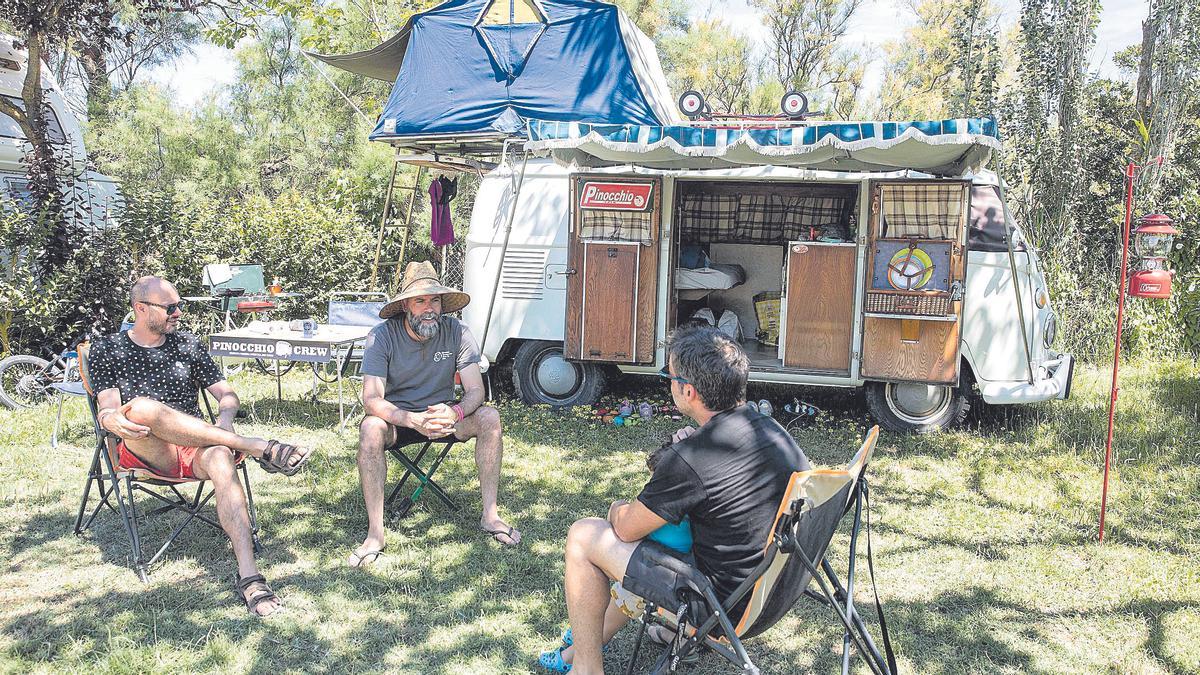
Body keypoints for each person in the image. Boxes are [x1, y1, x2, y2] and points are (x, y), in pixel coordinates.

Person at [539, 326, 811, 674]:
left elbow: (626, 529)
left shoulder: (693, 456)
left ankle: (585, 668)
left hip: (720, 606)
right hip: (774, 588)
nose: (667, 382)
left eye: (668, 374)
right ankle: (654, 636)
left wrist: (615, 509)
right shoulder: (772, 430)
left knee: (584, 535)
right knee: (660, 541)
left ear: (688, 390)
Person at [88, 276, 314, 617]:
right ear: (140, 308)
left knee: (222, 456)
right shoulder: (108, 349)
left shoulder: (187, 345)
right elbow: (108, 406)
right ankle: (257, 446)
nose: (178, 313)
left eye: (180, 306)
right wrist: (110, 420)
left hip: (197, 447)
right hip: (147, 449)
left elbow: (227, 394)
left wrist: (223, 424)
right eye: (170, 308)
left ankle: (250, 577)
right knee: (143, 408)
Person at [348, 261, 521, 568]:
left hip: (444, 419)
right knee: (370, 428)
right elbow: (371, 399)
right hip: (398, 421)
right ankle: (376, 531)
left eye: (435, 300)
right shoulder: (382, 336)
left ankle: (491, 515)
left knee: (490, 417)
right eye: (420, 301)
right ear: (405, 305)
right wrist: (409, 418)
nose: (429, 308)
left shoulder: (458, 332)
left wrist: (454, 412)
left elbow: (475, 391)